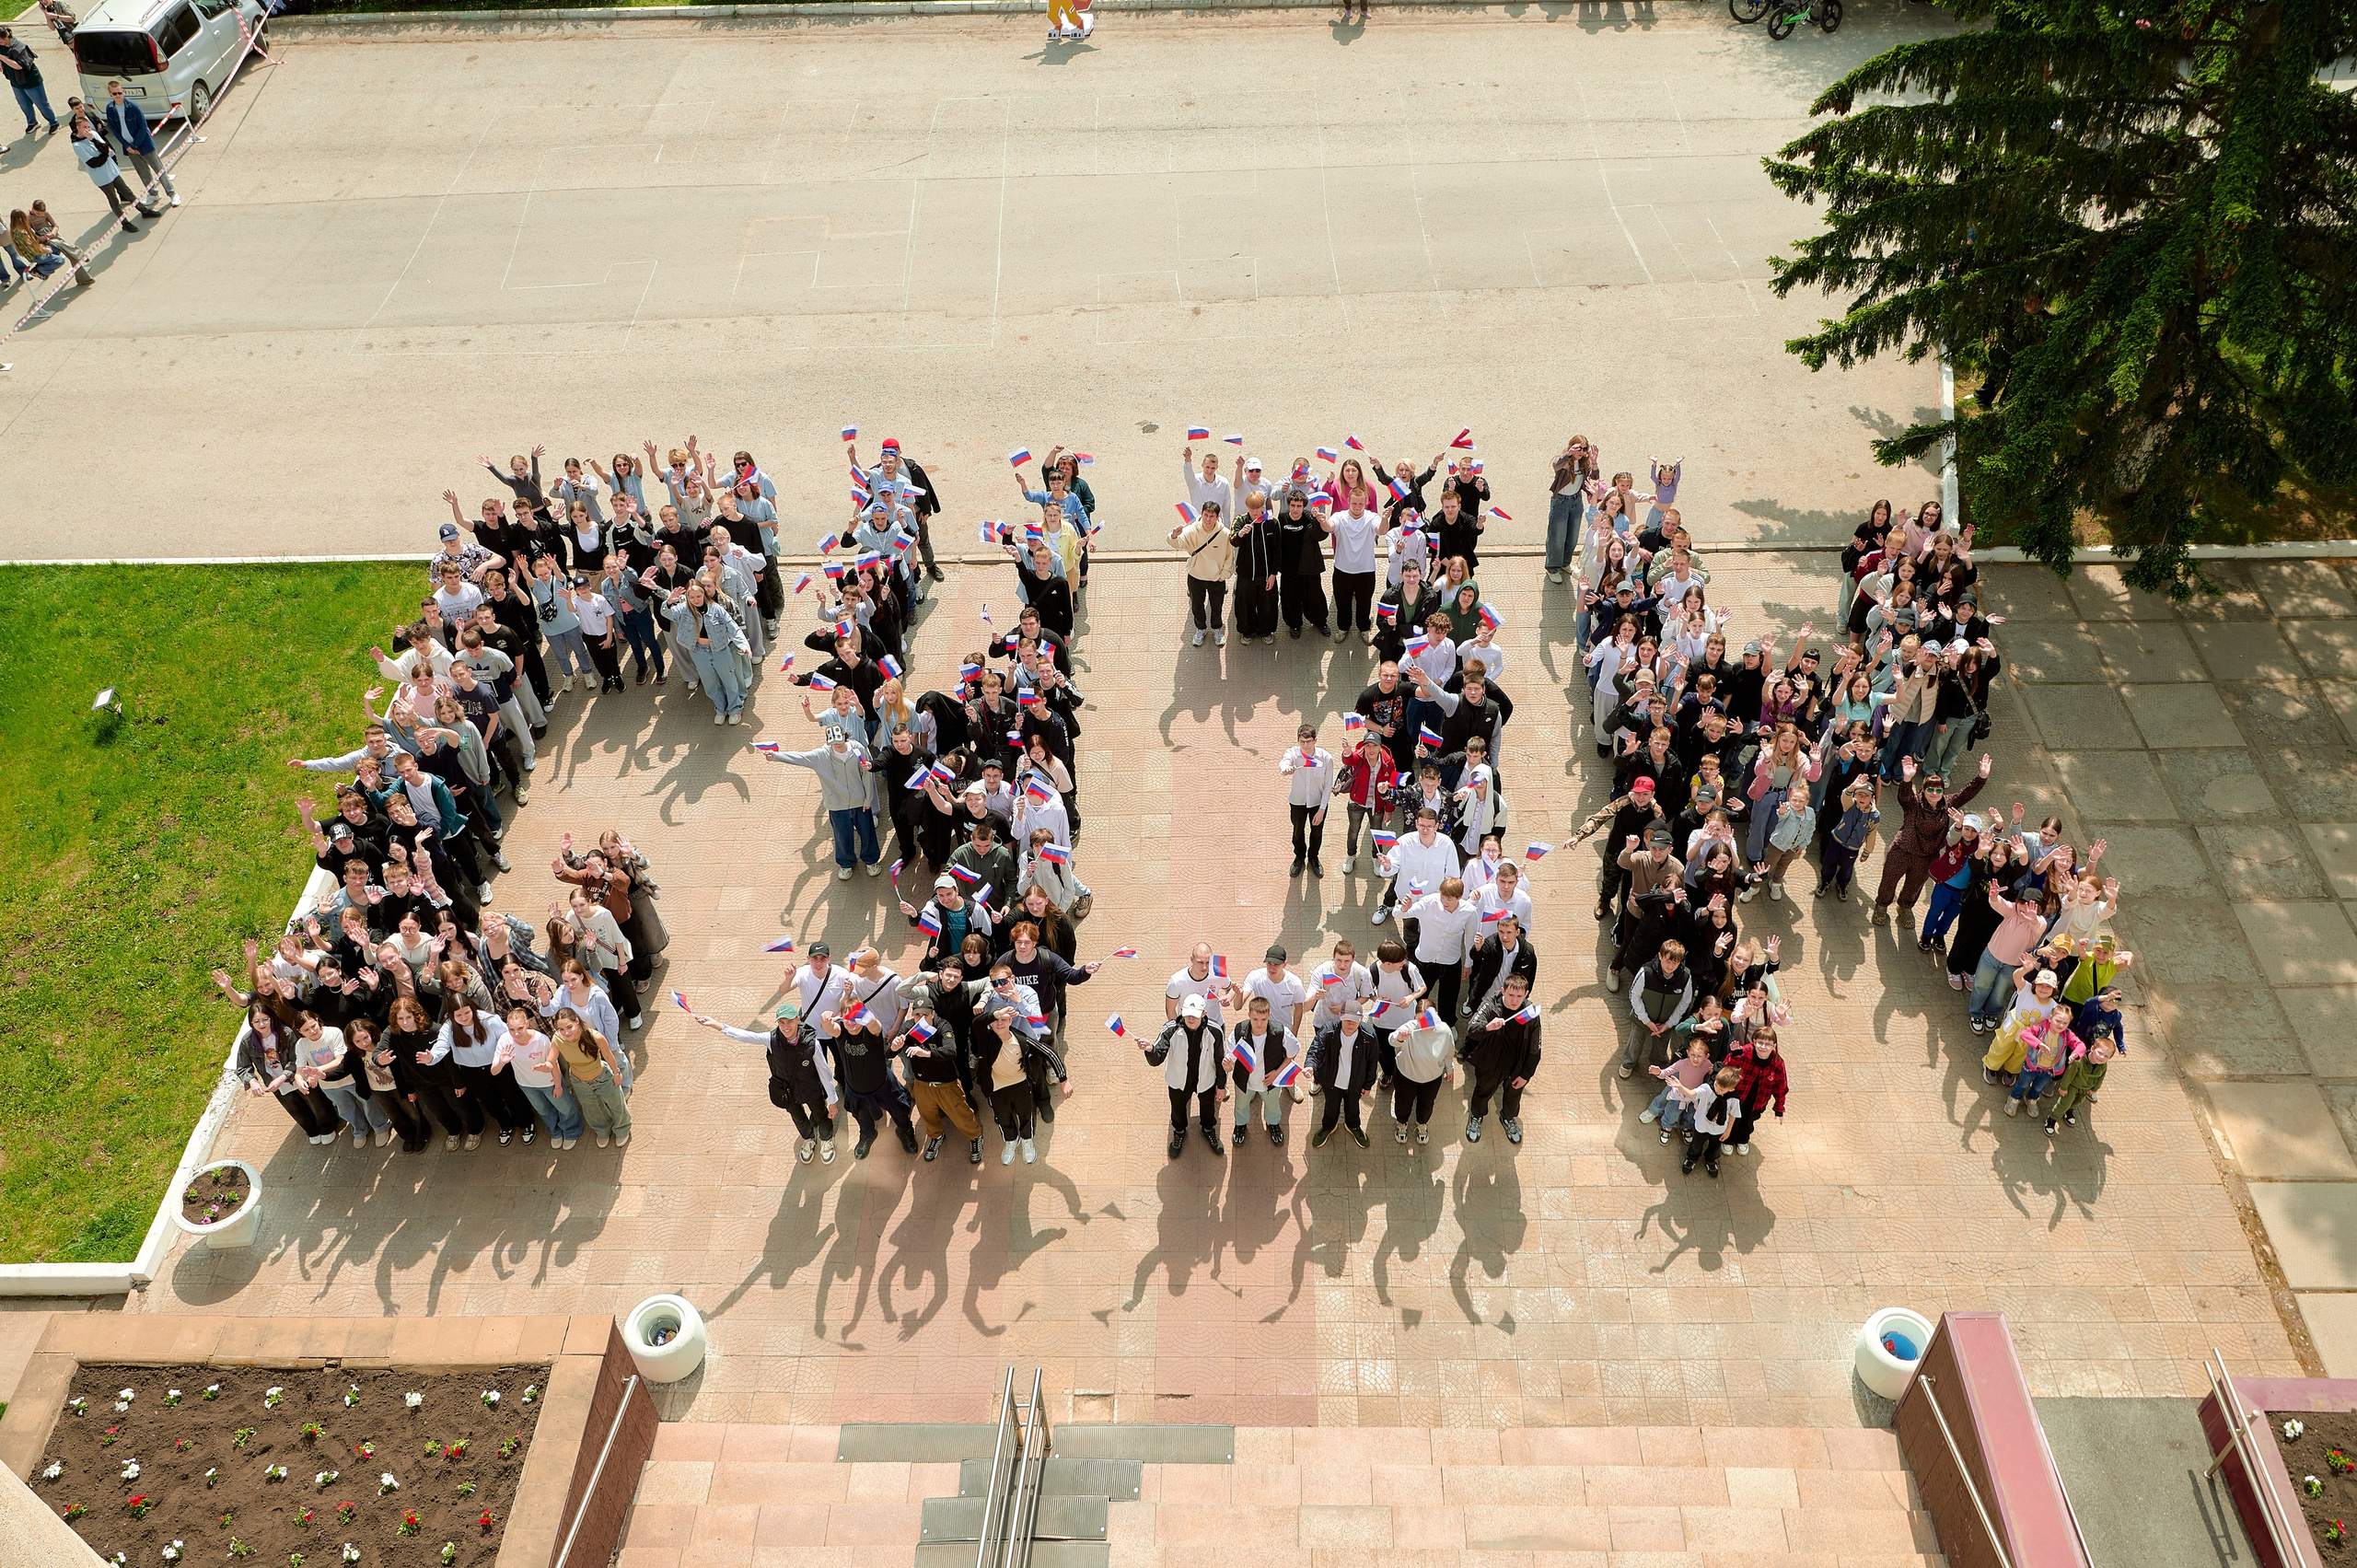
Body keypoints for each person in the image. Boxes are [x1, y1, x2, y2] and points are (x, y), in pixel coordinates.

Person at [770, 721, 884, 880]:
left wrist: (868, 800)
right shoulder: (821, 755)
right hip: (836, 806)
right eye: (833, 742)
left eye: (840, 740)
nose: (837, 744)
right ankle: (845, 864)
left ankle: (871, 861)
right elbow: (800, 757)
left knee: (868, 832)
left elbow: (867, 775)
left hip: (860, 803)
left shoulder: (858, 749)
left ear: (845, 736)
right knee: (842, 836)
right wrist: (776, 756)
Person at [1459, 971, 1540, 1144]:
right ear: (1503, 991)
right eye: (1511, 995)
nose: (1514, 1000)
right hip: (1490, 1062)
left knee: (1513, 1097)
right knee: (1482, 1092)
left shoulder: (1530, 1013)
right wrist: (1488, 1027)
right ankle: (1476, 1116)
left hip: (1516, 1066)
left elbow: (1535, 1049)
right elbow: (1472, 1029)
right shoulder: (1490, 1006)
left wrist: (1526, 1075)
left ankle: (1508, 1118)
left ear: (1526, 994)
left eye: (1519, 996)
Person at [1147, 993, 1225, 1157]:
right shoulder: (1170, 1029)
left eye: (1195, 1014)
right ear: (1181, 1010)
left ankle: (1208, 1129)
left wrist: (1221, 1086)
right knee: (1178, 1109)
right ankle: (1180, 1131)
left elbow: (1220, 1060)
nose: (1190, 1018)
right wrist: (1150, 1050)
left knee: (1208, 1108)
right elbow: (1157, 1059)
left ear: (1204, 1013)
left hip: (1205, 1079)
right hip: (1178, 1080)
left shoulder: (1215, 1031)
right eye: (1187, 1013)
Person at [71, 104, 157, 230]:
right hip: (101, 176)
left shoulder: (93, 134)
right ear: (77, 128)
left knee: (127, 191)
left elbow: (106, 147)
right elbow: (94, 162)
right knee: (113, 199)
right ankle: (125, 223)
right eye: (85, 128)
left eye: (89, 127)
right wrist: (105, 153)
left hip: (111, 170)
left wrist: (95, 141)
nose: (88, 130)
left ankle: (143, 210)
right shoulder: (77, 146)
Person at [1225, 994, 1294, 1146]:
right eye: (1255, 1019)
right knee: (1241, 1105)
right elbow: (1230, 1062)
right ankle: (1240, 1125)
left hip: (1270, 1081)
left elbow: (1292, 1053)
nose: (1259, 1024)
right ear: (1249, 1014)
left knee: (1272, 1105)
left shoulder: (1281, 1032)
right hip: (1245, 1081)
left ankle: (1273, 1124)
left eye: (1263, 1019)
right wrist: (1228, 1066)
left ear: (1269, 1015)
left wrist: (1277, 1073)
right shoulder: (1239, 1031)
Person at [1307, 1006, 1377, 1148]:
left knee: (1353, 1107)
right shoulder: (1329, 1030)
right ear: (1340, 1016)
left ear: (1361, 1019)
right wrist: (1311, 1066)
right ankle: (1328, 1126)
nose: (1351, 1023)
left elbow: (1372, 1062)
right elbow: (1316, 1050)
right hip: (1331, 1080)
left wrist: (1368, 1085)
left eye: (1355, 1020)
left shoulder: (1369, 1036)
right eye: (1347, 1019)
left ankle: (1353, 1126)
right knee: (1330, 1107)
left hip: (1355, 1082)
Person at [101, 79, 176, 208]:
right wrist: (127, 146)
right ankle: (153, 194)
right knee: (143, 173)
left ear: (123, 91)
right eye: (114, 94)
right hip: (129, 147)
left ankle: (172, 193)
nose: (118, 96)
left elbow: (143, 127)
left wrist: (134, 145)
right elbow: (114, 129)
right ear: (110, 93)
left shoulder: (133, 106)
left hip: (143, 144)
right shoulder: (110, 108)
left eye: (119, 92)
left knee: (159, 169)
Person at [1170, 496, 1234, 647]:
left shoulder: (1224, 533)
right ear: (1202, 514)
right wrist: (1174, 535)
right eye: (1206, 515)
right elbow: (1179, 543)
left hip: (1216, 579)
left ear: (1217, 517)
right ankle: (1201, 629)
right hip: (1195, 576)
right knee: (1197, 606)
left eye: (1212, 516)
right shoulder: (1192, 530)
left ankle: (1217, 629)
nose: (1208, 519)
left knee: (1217, 606)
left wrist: (1224, 575)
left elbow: (1229, 557)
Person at [1387, 1008, 1452, 1144]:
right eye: (1421, 1020)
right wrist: (1400, 1037)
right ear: (1416, 1018)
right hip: (1406, 1075)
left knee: (1427, 1104)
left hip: (1431, 1078)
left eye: (1429, 1018)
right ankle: (1402, 1123)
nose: (1426, 1024)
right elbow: (1392, 1040)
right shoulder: (1410, 1027)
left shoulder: (1445, 1031)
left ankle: (1422, 1124)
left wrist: (1449, 1068)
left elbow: (1449, 1051)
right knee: (1403, 1103)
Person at [1280, 722, 1336, 877]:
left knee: (1317, 833)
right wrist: (1286, 769)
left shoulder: (1326, 758)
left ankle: (1313, 857)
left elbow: (1327, 786)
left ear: (1315, 740)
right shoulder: (1293, 753)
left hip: (1318, 803)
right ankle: (1299, 857)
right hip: (1297, 802)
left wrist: (1322, 809)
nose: (1305, 745)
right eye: (1302, 742)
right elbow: (1284, 762)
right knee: (1298, 832)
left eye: (1308, 741)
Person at [1682, 1064, 1743, 1178]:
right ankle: (1692, 1158)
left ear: (1731, 1089)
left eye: (1721, 1089)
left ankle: (1710, 1160)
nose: (1717, 1090)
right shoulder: (1707, 1088)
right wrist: (1679, 1086)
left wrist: (1728, 1131)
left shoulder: (1733, 1099)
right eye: (1716, 1085)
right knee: (1696, 1144)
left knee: (1715, 1146)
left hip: (1719, 1128)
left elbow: (1733, 1114)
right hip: (1702, 1125)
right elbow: (1691, 1093)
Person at [0, 27, 59, 138]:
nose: (0, 43)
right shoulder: (2, 47)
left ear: (6, 37)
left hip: (31, 81)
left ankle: (53, 122)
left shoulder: (19, 47)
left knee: (41, 104)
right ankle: (33, 123)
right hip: (16, 82)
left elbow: (19, 66)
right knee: (24, 104)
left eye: (0, 40)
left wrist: (2, 58)